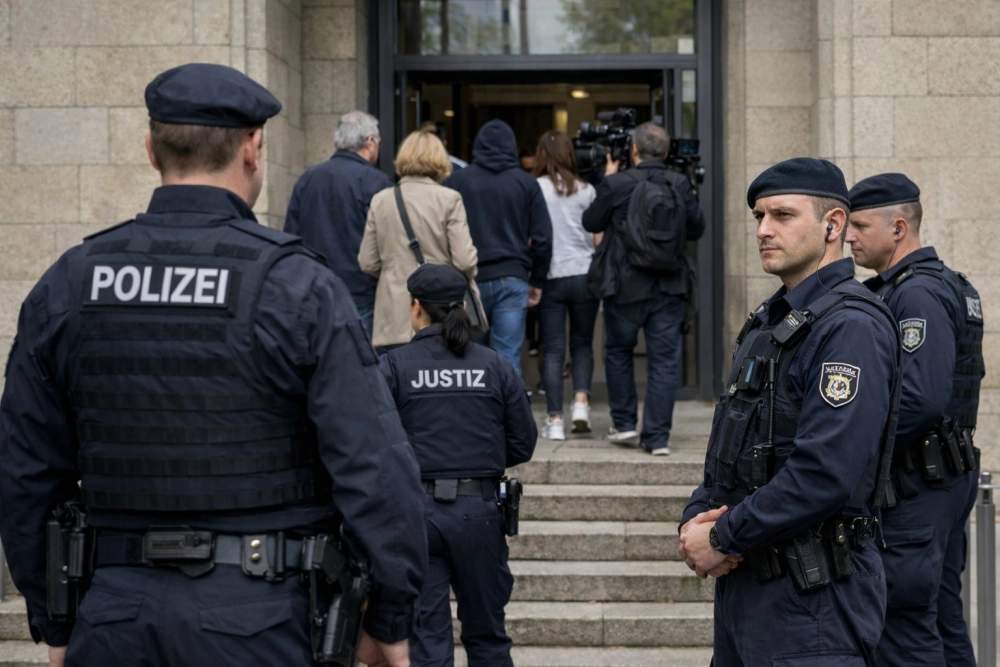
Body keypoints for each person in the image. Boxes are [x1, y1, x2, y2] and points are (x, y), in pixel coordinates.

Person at [0, 64, 426, 667]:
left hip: (115, 616)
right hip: (263, 619)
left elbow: (24, 472)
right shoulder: (296, 285)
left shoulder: (69, 282)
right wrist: (388, 618)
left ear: (151, 150)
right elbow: (375, 467)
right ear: (253, 148)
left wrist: (55, 621)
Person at [679, 158, 901, 665]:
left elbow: (824, 473)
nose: (763, 230)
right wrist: (696, 518)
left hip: (813, 597)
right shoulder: (771, 322)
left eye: (782, 215)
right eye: (759, 216)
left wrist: (720, 535)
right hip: (750, 585)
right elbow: (729, 450)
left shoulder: (850, 326)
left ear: (833, 225)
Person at [846, 173, 984, 667]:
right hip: (942, 476)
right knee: (942, 619)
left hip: (918, 484)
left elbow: (919, 400)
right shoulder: (945, 283)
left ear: (898, 228)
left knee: (903, 627)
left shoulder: (917, 293)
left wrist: (856, 455)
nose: (849, 236)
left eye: (860, 226)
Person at [379, 263, 536, 667]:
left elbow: (371, 443)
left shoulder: (394, 366)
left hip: (418, 515)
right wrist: (478, 459)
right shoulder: (495, 365)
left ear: (416, 307)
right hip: (479, 513)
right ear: (463, 306)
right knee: (487, 637)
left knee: (427, 643)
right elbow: (523, 443)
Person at [582, 122, 704, 454]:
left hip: (624, 286)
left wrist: (608, 179)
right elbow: (697, 228)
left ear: (634, 150)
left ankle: (624, 425)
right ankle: (658, 438)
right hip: (669, 287)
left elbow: (590, 222)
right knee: (664, 362)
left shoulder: (617, 183)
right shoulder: (679, 182)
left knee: (618, 351)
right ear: (666, 152)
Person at [444, 119, 553, 377]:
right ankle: (508, 405)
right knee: (509, 359)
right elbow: (543, 239)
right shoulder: (526, 183)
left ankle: (476, 405)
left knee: (470, 360)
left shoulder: (456, 182)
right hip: (513, 279)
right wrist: (537, 281)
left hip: (470, 281)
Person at [359, 129, 479, 350]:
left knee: (395, 370)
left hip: (394, 316)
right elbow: (464, 260)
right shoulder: (449, 199)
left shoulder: (381, 200)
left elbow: (367, 261)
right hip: (440, 313)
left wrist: (395, 272)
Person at [284, 110, 392, 337]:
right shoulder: (377, 182)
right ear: (369, 142)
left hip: (312, 290)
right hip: (361, 294)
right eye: (378, 141)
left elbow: (291, 236)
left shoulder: (307, 178)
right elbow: (388, 243)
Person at [532, 130, 601, 440]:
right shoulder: (587, 190)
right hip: (585, 274)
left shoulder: (537, 188)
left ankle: (555, 419)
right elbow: (596, 238)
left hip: (552, 275)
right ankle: (581, 404)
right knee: (582, 343)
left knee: (553, 350)